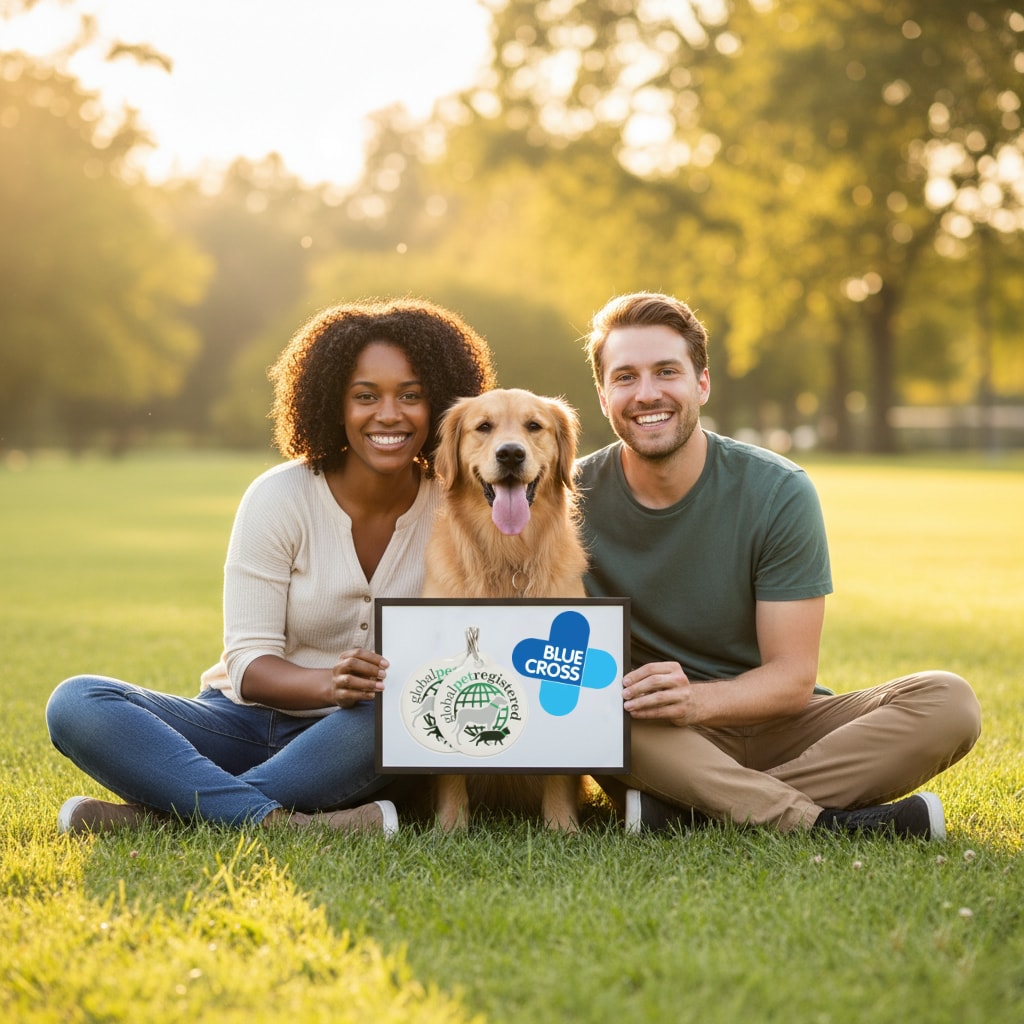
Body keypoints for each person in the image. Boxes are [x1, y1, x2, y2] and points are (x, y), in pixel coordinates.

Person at [46, 298, 496, 835]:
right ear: (333, 404)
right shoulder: (279, 497)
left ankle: (168, 817)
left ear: (439, 404)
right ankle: (288, 824)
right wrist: (330, 682)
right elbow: (248, 664)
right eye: (365, 396)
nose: (389, 414)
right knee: (76, 701)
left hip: (353, 735)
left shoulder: (457, 509)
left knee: (401, 713)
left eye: (411, 395)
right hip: (237, 722)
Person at [577, 291, 981, 840]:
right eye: (625, 377)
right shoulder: (561, 499)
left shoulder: (778, 490)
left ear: (702, 383)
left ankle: (695, 813)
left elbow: (791, 679)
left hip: (781, 728)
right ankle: (818, 824)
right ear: (603, 396)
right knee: (598, 712)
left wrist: (695, 699)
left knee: (950, 702)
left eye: (666, 371)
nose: (647, 393)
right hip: (661, 738)